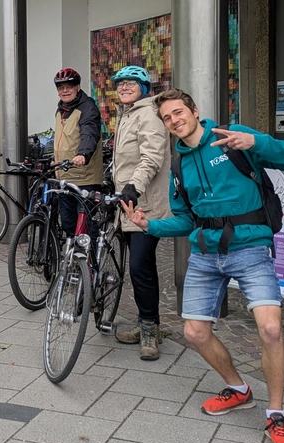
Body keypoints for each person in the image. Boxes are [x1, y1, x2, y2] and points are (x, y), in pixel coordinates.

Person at [121, 88, 284, 443]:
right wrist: (149, 225)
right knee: (194, 333)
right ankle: (239, 389)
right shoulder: (178, 166)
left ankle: (276, 415)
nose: (174, 121)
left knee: (270, 329)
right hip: (206, 254)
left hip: (250, 247)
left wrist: (256, 142)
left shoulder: (232, 138)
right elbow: (185, 220)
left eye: (178, 112)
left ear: (194, 111)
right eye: (167, 118)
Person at [109, 66, 172, 361]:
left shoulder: (147, 113)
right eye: (120, 84)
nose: (124, 87)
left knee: (140, 268)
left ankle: (149, 330)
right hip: (128, 204)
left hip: (145, 204)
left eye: (131, 83)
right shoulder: (127, 114)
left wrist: (133, 186)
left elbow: (152, 157)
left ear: (144, 87)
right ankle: (146, 321)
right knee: (139, 268)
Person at [52, 68, 104, 238]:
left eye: (69, 87)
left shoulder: (87, 108)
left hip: (84, 178)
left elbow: (89, 133)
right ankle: (74, 254)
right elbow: (63, 140)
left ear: (78, 87)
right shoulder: (61, 110)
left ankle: (94, 254)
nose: (65, 90)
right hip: (65, 176)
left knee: (85, 225)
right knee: (68, 224)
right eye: (61, 88)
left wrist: (83, 154)